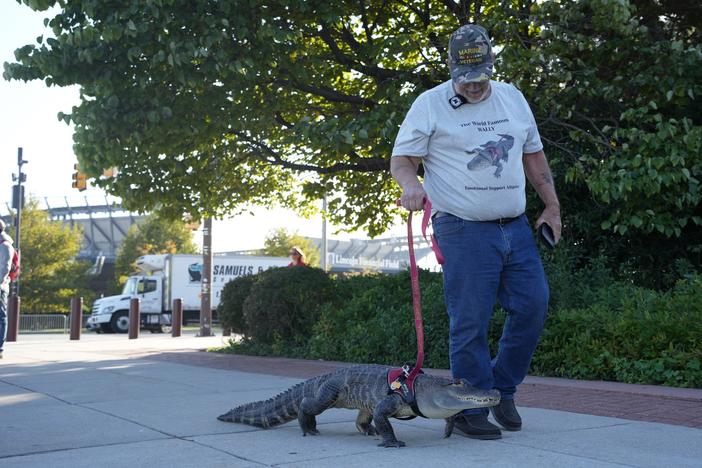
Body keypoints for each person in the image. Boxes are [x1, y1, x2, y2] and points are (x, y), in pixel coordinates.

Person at [390, 24, 561, 440]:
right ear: (451, 69)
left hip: (515, 227)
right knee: (470, 321)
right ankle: (469, 408)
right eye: (465, 81)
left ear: (491, 67)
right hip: (462, 229)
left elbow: (534, 157)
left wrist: (553, 205)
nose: (473, 87)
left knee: (533, 306)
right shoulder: (430, 104)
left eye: (480, 79)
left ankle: (500, 390)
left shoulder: (513, 99)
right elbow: (403, 161)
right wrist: (412, 186)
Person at [0, 219, 15, 359]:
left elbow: (5, 267)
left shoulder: (5, 245)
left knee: (1, 317)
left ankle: (0, 348)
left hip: (1, 287)